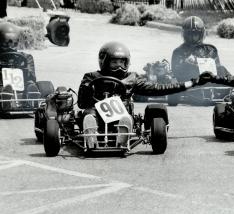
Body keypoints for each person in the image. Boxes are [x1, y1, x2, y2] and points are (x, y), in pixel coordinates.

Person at [77, 41, 207, 148]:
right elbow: (82, 102)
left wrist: (190, 83)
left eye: (122, 63)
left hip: (121, 112)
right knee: (89, 113)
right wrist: (88, 88)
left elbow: (158, 89)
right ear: (104, 61)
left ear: (127, 63)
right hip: (97, 112)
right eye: (114, 62)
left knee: (125, 114)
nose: (119, 66)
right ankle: (91, 134)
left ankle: (122, 134)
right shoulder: (91, 77)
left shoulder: (132, 78)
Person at [0, 22, 38, 108]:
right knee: (4, 89)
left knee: (30, 83)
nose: (10, 46)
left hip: (22, 85)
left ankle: (31, 95)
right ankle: (5, 98)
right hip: (2, 85)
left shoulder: (27, 57)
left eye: (14, 43)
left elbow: (32, 77)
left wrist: (24, 70)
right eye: (7, 43)